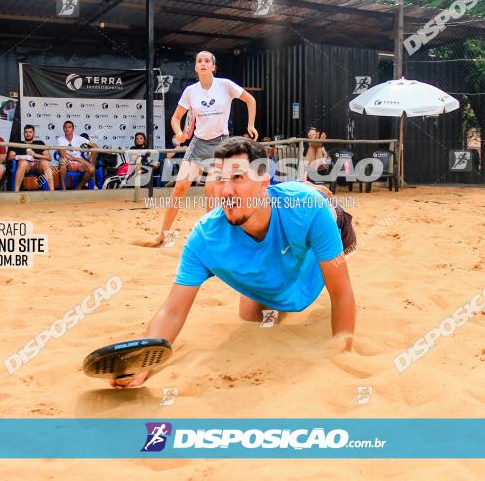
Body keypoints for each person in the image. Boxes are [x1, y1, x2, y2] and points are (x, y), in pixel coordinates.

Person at [114, 138, 355, 388]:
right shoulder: (204, 237)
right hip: (284, 250)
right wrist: (143, 362)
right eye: (219, 178)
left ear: (263, 180)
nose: (226, 190)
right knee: (250, 314)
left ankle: (311, 187)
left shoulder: (308, 209)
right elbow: (172, 311)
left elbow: (342, 293)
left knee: (315, 205)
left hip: (327, 217)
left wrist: (342, 356)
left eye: (238, 177)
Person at [135, 50, 258, 247]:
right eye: (199, 61)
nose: (203, 63)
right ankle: (162, 236)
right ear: (196, 67)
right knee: (179, 189)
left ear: (213, 66)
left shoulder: (225, 85)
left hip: (221, 144)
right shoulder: (190, 91)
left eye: (207, 60)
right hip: (198, 143)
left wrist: (250, 125)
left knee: (211, 190)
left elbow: (250, 100)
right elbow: (175, 118)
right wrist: (180, 134)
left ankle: (211, 240)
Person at [8, 124, 52, 192]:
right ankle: (16, 192)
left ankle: (52, 192)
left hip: (38, 165)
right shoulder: (18, 143)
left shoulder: (39, 143)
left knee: (45, 162)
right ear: (23, 133)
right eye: (26, 132)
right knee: (23, 162)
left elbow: (49, 158)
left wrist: (35, 154)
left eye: (30, 132)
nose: (28, 134)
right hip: (25, 167)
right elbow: (10, 157)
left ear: (34, 133)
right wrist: (24, 157)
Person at [56, 121, 97, 190]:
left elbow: (95, 147)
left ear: (73, 129)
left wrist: (90, 161)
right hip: (68, 164)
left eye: (69, 127)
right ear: (63, 129)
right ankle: (63, 188)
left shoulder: (79, 138)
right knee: (63, 161)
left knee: (91, 169)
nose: (67, 129)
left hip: (79, 165)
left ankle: (79, 187)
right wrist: (79, 159)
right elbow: (63, 155)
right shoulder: (60, 139)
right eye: (65, 127)